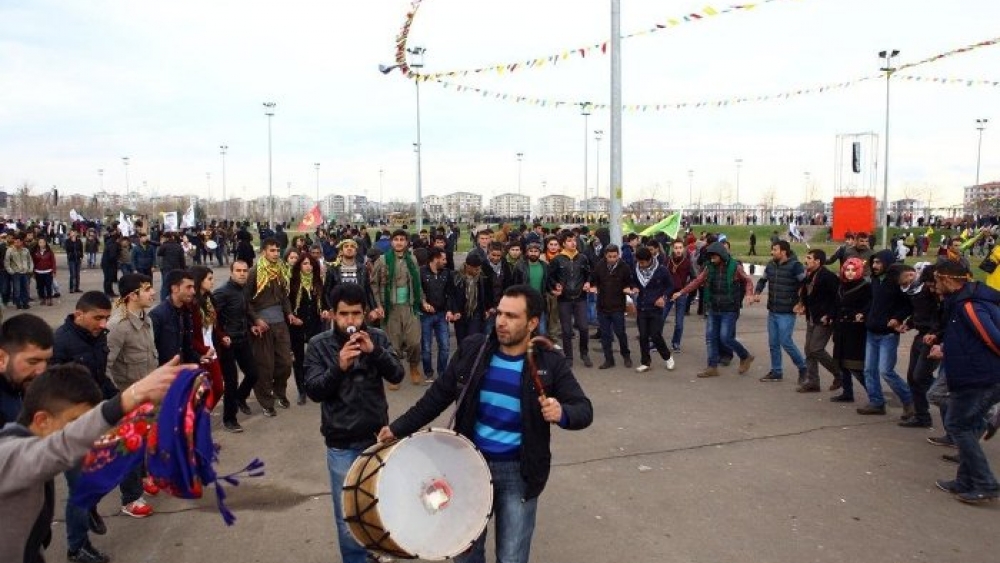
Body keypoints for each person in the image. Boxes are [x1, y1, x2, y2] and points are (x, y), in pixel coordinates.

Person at [378, 285, 593, 563]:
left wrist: (562, 412)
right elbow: (436, 397)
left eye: (512, 316)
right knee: (464, 552)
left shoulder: (549, 363)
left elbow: (584, 409)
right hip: (468, 467)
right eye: (500, 313)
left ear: (532, 322)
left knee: (512, 556)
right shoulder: (474, 350)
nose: (501, 322)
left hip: (520, 471)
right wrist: (397, 428)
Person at [0, 360, 187, 563]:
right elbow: (60, 447)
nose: (83, 432)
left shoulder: (31, 458)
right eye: (75, 423)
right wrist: (128, 398)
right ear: (42, 420)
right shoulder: (8, 456)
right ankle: (78, 545)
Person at [303, 282, 404, 563]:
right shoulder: (318, 345)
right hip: (341, 444)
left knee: (383, 507)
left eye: (356, 314)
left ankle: (381, 553)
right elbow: (313, 390)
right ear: (332, 315)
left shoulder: (378, 338)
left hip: (378, 439)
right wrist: (338, 367)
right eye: (344, 314)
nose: (350, 321)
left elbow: (397, 375)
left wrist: (375, 352)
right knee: (348, 517)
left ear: (366, 314)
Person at [51, 291, 117, 563]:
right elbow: (50, 391)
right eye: (97, 318)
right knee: (79, 488)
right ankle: (77, 548)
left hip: (96, 417)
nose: (103, 324)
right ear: (79, 314)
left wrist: (120, 400)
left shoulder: (96, 336)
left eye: (106, 319)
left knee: (110, 470)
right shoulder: (60, 343)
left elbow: (100, 377)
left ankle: (89, 506)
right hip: (70, 427)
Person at [932, 261, 1000, 503]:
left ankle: (985, 482)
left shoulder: (969, 306)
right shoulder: (959, 302)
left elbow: (993, 338)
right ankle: (965, 481)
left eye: (937, 281)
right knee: (967, 427)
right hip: (973, 374)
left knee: (959, 426)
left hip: (979, 377)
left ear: (949, 280)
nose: (935, 286)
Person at [104, 273, 159, 519]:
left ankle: (144, 477)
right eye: (147, 290)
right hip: (127, 399)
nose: (153, 293)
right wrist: (118, 400)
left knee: (145, 441)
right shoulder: (118, 326)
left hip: (146, 394)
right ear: (132, 296)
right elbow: (106, 366)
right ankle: (131, 499)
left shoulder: (145, 318)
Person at [673, 242, 755, 378]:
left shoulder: (735, 267)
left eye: (714, 256)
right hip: (713, 307)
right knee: (710, 338)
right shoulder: (709, 268)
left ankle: (745, 356)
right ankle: (712, 367)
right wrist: (682, 292)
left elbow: (747, 281)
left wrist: (749, 294)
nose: (711, 259)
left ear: (721, 255)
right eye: (710, 256)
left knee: (725, 337)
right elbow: (697, 281)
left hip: (729, 309)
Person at [857, 250, 914, 416]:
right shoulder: (875, 280)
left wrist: (897, 318)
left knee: (886, 371)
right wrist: (865, 313)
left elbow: (907, 306)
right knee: (869, 370)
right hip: (872, 331)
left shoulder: (897, 282)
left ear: (887, 263)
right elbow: (874, 302)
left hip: (887, 334)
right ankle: (876, 402)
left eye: (878, 263)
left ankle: (909, 401)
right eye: (873, 262)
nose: (874, 266)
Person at [246, 238, 295, 416]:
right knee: (265, 366)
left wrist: (288, 312)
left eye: (277, 250)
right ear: (264, 252)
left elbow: (284, 297)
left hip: (280, 323)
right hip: (262, 326)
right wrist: (256, 319)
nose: (276, 253)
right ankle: (266, 402)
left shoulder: (280, 270)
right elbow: (246, 301)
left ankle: (279, 393)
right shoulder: (254, 273)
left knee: (285, 363)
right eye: (272, 250)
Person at [371, 230, 424, 387]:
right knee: (393, 344)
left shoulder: (412, 259)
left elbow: (418, 284)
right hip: (390, 308)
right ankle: (394, 373)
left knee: (414, 341)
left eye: (402, 239)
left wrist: (423, 301)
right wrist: (378, 305)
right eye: (396, 239)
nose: (399, 242)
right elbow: (374, 284)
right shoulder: (382, 260)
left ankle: (414, 367)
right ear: (391, 242)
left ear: (407, 242)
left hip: (409, 306)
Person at [213, 260, 260, 433]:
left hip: (243, 338)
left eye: (245, 270)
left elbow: (243, 312)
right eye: (238, 270)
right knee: (231, 382)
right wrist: (222, 335)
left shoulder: (243, 290)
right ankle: (229, 419)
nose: (242, 273)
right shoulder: (222, 292)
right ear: (231, 272)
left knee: (253, 373)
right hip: (228, 344)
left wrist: (251, 325)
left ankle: (240, 398)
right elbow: (213, 319)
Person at [753, 241, 808, 383]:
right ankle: (776, 371)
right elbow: (762, 280)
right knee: (773, 343)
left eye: (775, 250)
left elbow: (805, 284)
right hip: (773, 310)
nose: (772, 252)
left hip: (787, 311)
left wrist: (801, 302)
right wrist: (757, 292)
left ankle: (803, 367)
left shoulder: (795, 266)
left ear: (783, 252)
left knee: (785, 341)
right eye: (772, 249)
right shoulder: (771, 265)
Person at [896, 264, 942, 428]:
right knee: (913, 378)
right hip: (921, 336)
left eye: (934, 285)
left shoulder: (941, 297)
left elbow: (940, 320)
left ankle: (948, 398)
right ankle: (922, 416)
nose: (932, 288)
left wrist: (936, 336)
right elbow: (919, 314)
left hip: (933, 339)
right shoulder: (920, 293)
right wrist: (909, 324)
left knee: (921, 377)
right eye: (929, 285)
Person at [795, 249, 840, 392]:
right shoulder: (810, 275)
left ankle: (839, 373)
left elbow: (838, 299)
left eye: (809, 258)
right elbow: (806, 292)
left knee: (816, 349)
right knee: (809, 350)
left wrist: (830, 315)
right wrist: (801, 304)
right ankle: (813, 382)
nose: (806, 260)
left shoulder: (828, 277)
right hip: (812, 317)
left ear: (818, 261)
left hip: (824, 319)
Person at [830, 257, 872, 403]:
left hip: (856, 330)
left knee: (856, 366)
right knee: (842, 364)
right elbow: (836, 305)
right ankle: (847, 393)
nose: (849, 273)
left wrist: (862, 314)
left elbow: (869, 306)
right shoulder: (841, 286)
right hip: (841, 328)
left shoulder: (865, 287)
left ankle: (875, 397)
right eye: (847, 270)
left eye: (853, 270)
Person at [548, 231, 593, 368]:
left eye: (574, 240)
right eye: (569, 241)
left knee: (584, 327)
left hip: (580, 298)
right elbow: (550, 277)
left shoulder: (582, 258)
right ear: (563, 243)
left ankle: (584, 353)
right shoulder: (557, 259)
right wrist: (555, 286)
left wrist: (588, 282)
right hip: (564, 299)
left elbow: (589, 274)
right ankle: (568, 357)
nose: (573, 243)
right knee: (566, 331)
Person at [0, 314, 54, 427]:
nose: (41, 371)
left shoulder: (24, 386)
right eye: (32, 362)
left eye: (47, 361)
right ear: (2, 359)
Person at [288, 254, 328, 405]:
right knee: (298, 360)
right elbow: (287, 305)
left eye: (311, 264)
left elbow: (324, 302)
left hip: (315, 324)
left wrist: (325, 310)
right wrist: (291, 316)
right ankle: (301, 390)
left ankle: (317, 386)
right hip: (297, 326)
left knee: (316, 357)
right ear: (299, 265)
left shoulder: (318, 282)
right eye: (305, 263)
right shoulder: (292, 282)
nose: (308, 266)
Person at [630, 247, 675, 373]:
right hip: (642, 307)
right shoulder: (635, 269)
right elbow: (632, 282)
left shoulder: (661, 270)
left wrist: (664, 297)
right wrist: (634, 288)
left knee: (655, 335)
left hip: (656, 308)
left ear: (650, 259)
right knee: (643, 336)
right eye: (639, 262)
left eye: (643, 262)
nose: (641, 265)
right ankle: (645, 362)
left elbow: (671, 286)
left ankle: (667, 357)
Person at [589, 244, 633, 369]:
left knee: (620, 333)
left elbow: (629, 282)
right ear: (605, 256)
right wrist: (592, 286)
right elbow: (593, 280)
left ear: (618, 255)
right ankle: (609, 359)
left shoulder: (624, 267)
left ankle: (626, 356)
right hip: (602, 306)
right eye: (610, 257)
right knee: (605, 335)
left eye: (615, 256)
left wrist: (628, 288)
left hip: (618, 307)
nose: (612, 259)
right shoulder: (599, 266)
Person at [189, 266, 225, 409]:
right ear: (199, 281)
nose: (212, 282)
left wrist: (222, 336)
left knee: (218, 388)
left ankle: (202, 417)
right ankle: (196, 421)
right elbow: (190, 334)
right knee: (200, 391)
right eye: (209, 279)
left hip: (212, 350)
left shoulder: (209, 299)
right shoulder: (192, 304)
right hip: (200, 352)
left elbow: (213, 326)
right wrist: (202, 349)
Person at [419, 247, 456, 384]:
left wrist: (449, 310)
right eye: (443, 259)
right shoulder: (421, 272)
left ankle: (442, 373)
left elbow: (450, 293)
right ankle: (428, 373)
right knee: (426, 347)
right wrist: (423, 303)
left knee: (445, 346)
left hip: (442, 314)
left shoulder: (447, 273)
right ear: (435, 259)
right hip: (425, 315)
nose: (446, 262)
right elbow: (418, 291)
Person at [662, 240, 693, 352]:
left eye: (680, 247)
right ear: (672, 248)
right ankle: (657, 342)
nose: (678, 250)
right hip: (668, 293)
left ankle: (676, 343)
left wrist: (685, 290)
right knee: (661, 318)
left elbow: (694, 278)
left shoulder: (687, 262)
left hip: (681, 293)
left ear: (683, 248)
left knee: (679, 322)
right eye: (676, 248)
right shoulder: (667, 261)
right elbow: (661, 276)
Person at [6, 233, 33, 310]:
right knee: (17, 289)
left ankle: (25, 303)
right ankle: (18, 303)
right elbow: (7, 262)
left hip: (25, 273)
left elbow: (30, 260)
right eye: (15, 242)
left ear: (21, 242)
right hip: (16, 273)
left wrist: (30, 269)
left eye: (18, 242)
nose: (16, 243)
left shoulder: (26, 250)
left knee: (25, 288)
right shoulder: (10, 250)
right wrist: (11, 271)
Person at [31, 237, 57, 306]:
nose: (41, 244)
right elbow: (33, 262)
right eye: (40, 242)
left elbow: (53, 262)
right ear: (38, 244)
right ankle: (42, 299)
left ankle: (49, 299)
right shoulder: (35, 252)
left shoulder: (49, 251)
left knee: (49, 286)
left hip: (48, 271)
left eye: (43, 242)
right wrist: (33, 272)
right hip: (38, 272)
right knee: (40, 287)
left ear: (45, 243)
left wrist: (54, 271)